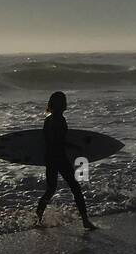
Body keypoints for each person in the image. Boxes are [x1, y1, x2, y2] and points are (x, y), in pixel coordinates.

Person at [35, 91, 96, 231]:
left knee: (50, 189)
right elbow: (58, 141)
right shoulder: (59, 119)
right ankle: (85, 220)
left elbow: (48, 140)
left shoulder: (48, 119)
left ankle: (38, 218)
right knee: (75, 188)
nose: (65, 103)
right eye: (63, 101)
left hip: (50, 157)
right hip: (59, 157)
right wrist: (76, 147)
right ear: (60, 104)